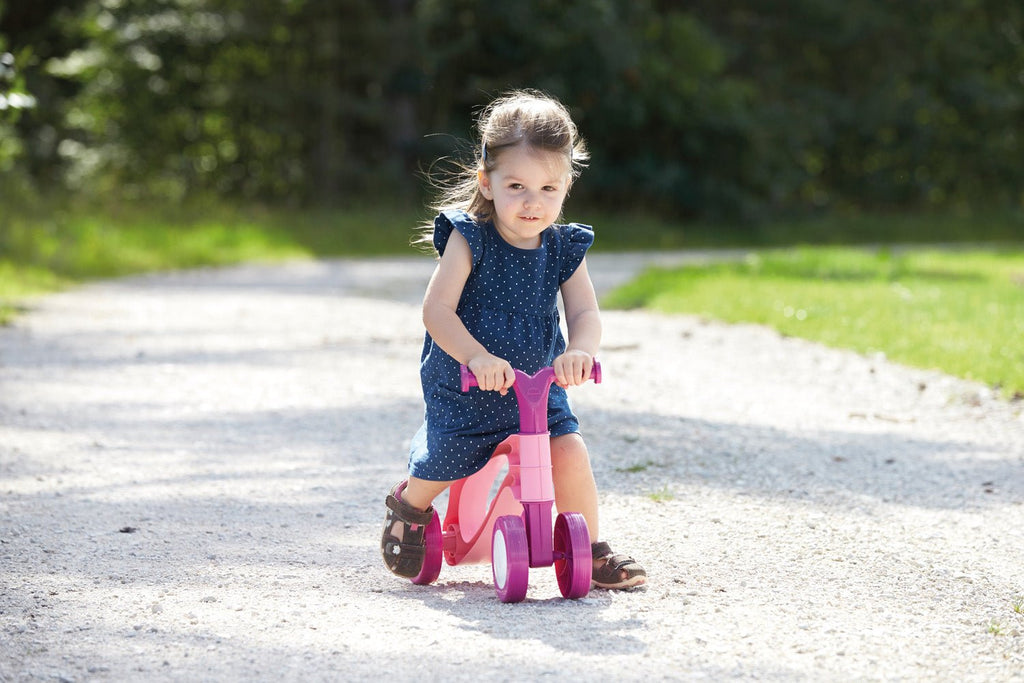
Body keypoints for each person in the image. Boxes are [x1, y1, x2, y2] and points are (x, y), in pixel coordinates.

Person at [380, 90, 646, 591]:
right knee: (448, 457)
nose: (532, 201)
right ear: (488, 182)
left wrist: (580, 351)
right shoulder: (470, 237)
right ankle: (410, 506)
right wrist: (476, 356)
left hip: (538, 385)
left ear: (567, 185)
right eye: (517, 185)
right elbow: (436, 310)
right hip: (468, 381)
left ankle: (587, 545)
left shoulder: (564, 246)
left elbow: (585, 311)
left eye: (548, 188)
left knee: (569, 452)